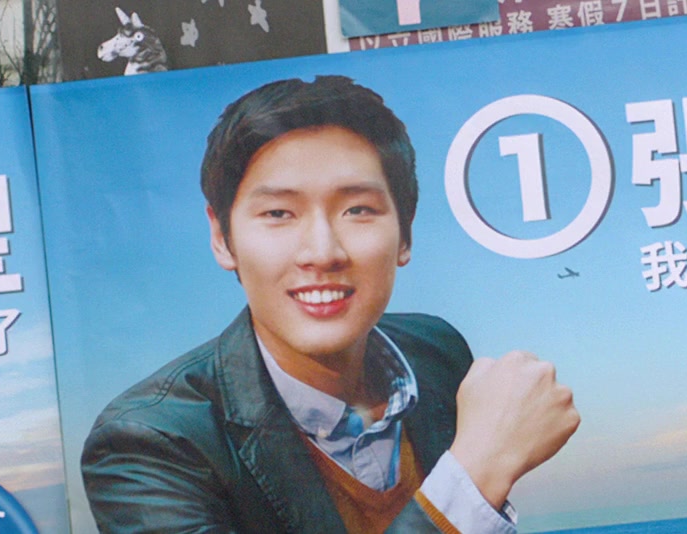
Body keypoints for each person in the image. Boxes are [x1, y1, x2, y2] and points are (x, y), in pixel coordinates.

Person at [81, 75, 580, 534]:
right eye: (279, 213)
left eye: (357, 209)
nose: (322, 253)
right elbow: (469, 487)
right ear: (222, 238)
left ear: (405, 233)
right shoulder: (147, 444)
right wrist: (474, 474)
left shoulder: (437, 351)